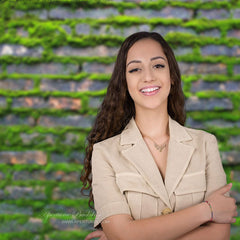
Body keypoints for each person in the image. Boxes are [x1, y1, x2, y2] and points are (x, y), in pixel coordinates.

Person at [81, 31, 237, 240]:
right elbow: (122, 235)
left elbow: (219, 235)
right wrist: (207, 210)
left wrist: (133, 235)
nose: (148, 76)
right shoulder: (105, 153)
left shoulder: (205, 144)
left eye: (158, 65)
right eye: (135, 69)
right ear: (125, 83)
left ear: (171, 75)